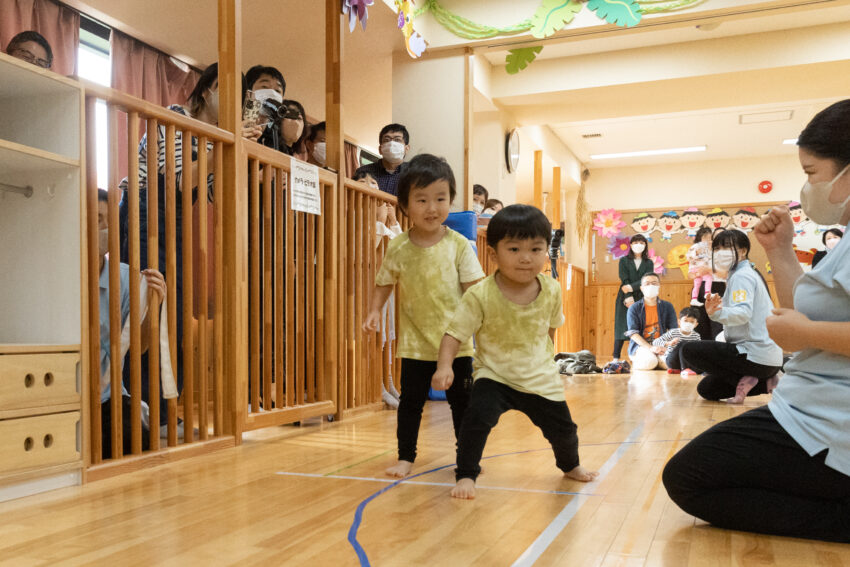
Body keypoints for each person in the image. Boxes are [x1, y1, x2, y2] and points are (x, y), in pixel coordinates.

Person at [663, 99, 850, 543]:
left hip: (826, 420)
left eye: (811, 173)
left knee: (688, 477)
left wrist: (802, 333)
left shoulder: (740, 279)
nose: (807, 186)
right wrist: (781, 251)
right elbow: (800, 313)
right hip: (804, 399)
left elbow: (788, 324)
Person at [118, 63, 261, 435]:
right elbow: (175, 182)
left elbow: (212, 194)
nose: (234, 103)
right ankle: (147, 410)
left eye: (242, 98)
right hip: (144, 212)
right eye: (227, 91)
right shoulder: (175, 119)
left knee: (172, 310)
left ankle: (163, 408)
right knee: (151, 307)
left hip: (173, 220)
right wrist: (223, 152)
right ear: (206, 90)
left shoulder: (212, 138)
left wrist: (241, 157)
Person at [431, 204, 599, 499]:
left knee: (564, 429)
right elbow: (454, 333)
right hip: (494, 375)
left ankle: (570, 465)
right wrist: (444, 366)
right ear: (494, 254)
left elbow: (550, 327)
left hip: (539, 376)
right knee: (475, 420)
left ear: (546, 251)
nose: (526, 258)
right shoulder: (480, 294)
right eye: (514, 249)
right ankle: (466, 474)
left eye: (536, 249)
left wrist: (546, 358)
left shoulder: (552, 289)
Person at [362, 154, 485, 478]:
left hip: (456, 343)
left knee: (462, 406)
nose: (432, 207)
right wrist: (374, 310)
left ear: (450, 200)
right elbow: (384, 281)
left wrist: (485, 323)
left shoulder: (458, 245)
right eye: (422, 199)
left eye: (440, 199)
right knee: (410, 405)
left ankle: (467, 457)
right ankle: (406, 457)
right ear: (405, 204)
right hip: (415, 343)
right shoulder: (399, 246)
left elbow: (476, 288)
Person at [96, 190, 166, 457]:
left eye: (108, 221)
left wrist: (153, 304)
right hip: (69, 394)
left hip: (109, 398)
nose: (103, 228)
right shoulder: (64, 275)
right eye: (97, 219)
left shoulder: (125, 279)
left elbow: (140, 348)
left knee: (137, 443)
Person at [679, 229, 783, 402]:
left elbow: (743, 314)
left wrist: (717, 313)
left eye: (726, 247)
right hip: (766, 360)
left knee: (688, 350)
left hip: (754, 354)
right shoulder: (743, 274)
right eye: (717, 248)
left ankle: (751, 378)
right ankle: (766, 382)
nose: (721, 253)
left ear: (742, 251)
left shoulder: (742, 276)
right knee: (707, 389)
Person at [612, 235, 654, 362]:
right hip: (624, 297)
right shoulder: (624, 260)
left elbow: (647, 279)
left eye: (642, 242)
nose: (639, 244)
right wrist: (628, 295)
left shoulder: (649, 262)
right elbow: (624, 280)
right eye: (636, 242)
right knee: (621, 326)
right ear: (631, 245)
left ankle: (638, 356)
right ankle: (616, 357)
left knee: (640, 326)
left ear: (645, 245)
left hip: (643, 296)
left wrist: (632, 287)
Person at [624, 273, 678, 371]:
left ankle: (658, 361)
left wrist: (668, 346)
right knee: (649, 362)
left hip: (662, 346)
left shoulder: (668, 306)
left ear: (659, 286)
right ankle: (647, 361)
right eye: (647, 283)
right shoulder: (634, 308)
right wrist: (650, 348)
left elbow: (673, 331)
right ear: (641, 288)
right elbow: (633, 334)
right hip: (641, 346)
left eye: (654, 283)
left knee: (672, 364)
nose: (651, 286)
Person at [354, 124, 410, 196]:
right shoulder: (364, 171)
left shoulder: (414, 173)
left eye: (397, 140)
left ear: (406, 148)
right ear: (380, 149)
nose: (391, 144)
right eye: (387, 140)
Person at [245, 65, 286, 150]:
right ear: (248, 94)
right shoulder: (233, 124)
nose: (271, 93)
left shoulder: (277, 138)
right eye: (264, 87)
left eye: (277, 91)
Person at [652, 306, 702, 374]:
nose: (688, 324)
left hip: (688, 361)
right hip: (672, 361)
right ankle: (684, 369)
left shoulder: (696, 336)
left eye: (692, 322)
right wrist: (669, 343)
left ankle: (679, 370)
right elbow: (655, 342)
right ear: (679, 321)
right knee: (683, 344)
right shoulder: (673, 332)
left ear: (696, 324)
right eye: (685, 320)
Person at [686, 227, 713, 307]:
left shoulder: (710, 248)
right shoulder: (696, 246)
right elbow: (689, 256)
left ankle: (694, 299)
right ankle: (707, 292)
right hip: (696, 269)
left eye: (710, 238)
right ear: (700, 238)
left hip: (699, 269)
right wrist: (698, 252)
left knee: (697, 284)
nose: (708, 240)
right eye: (706, 238)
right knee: (708, 278)